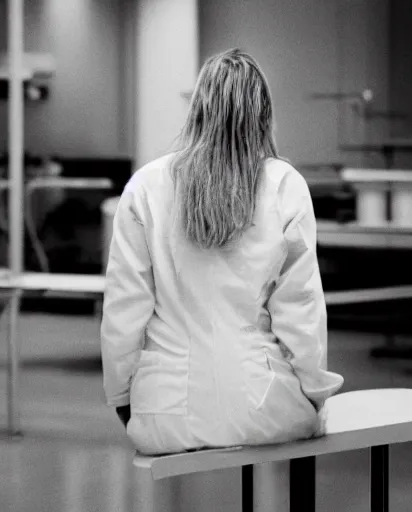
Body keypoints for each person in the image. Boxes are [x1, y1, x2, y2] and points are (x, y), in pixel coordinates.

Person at [100, 49, 344, 456]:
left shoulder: (145, 186)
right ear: (264, 113)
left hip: (163, 415)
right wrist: (315, 392)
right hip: (266, 409)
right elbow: (300, 309)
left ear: (196, 108)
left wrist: (122, 399)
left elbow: (124, 310)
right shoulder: (283, 184)